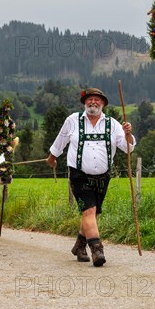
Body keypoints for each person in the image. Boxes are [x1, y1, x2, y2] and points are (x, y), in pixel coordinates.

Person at [46, 87, 136, 267]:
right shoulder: (73, 120)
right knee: (88, 211)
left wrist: (128, 135)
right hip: (78, 176)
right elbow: (60, 140)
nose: (93, 102)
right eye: (90, 99)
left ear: (103, 103)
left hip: (103, 177)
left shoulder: (113, 124)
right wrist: (52, 157)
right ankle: (97, 249)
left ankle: (79, 246)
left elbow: (128, 149)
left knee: (92, 213)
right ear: (84, 102)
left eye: (97, 99)